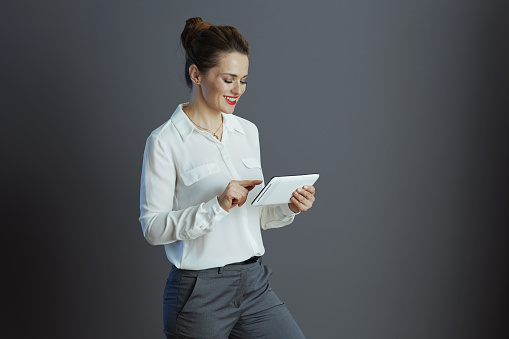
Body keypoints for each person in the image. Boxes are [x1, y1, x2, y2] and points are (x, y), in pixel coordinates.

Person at [139, 17, 316, 339]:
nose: (238, 90)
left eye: (244, 80)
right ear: (197, 74)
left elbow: (254, 216)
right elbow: (152, 228)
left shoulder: (246, 131)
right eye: (229, 79)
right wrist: (217, 205)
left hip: (253, 282)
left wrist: (289, 206)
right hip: (199, 292)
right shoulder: (165, 141)